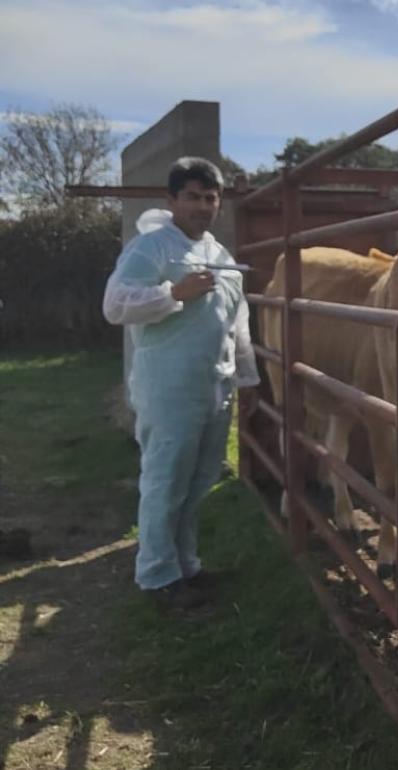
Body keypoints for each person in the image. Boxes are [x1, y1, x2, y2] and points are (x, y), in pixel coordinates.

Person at [103, 157, 259, 610]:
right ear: (171, 200)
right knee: (165, 480)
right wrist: (172, 293)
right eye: (192, 196)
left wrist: (247, 380)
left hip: (214, 388)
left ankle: (185, 565)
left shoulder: (220, 255)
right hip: (168, 389)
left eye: (210, 197)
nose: (203, 205)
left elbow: (238, 324)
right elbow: (115, 305)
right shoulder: (149, 248)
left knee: (198, 481)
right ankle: (155, 575)